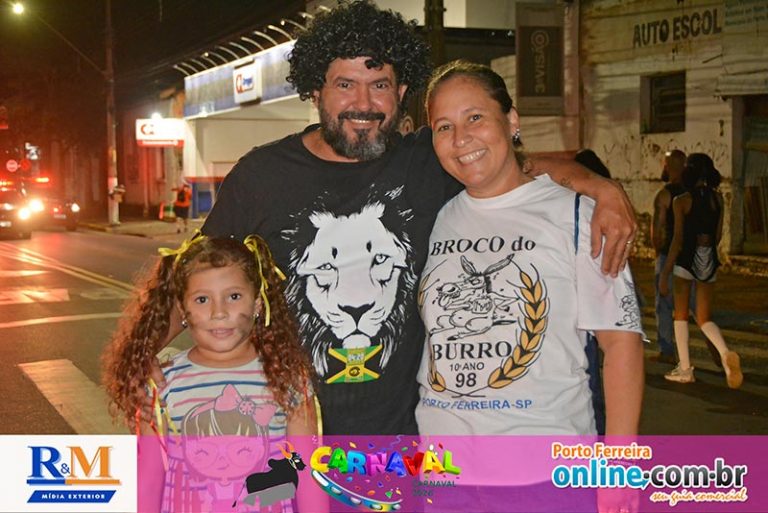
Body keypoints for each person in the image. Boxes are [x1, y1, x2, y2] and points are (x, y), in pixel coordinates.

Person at [157, 1, 636, 436]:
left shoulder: (425, 162)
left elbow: (506, 163)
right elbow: (189, 275)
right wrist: (140, 357)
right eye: (345, 84)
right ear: (316, 91)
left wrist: (601, 188)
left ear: (401, 92)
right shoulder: (262, 175)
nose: (363, 104)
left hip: (403, 447)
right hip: (290, 439)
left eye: (379, 85)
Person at [415, 59, 644, 513]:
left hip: (546, 478)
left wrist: (619, 465)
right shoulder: (437, 215)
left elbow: (621, 343)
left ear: (512, 120)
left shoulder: (577, 214)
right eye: (444, 127)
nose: (461, 139)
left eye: (475, 117)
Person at [103, 235, 320, 512]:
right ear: (183, 309)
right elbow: (148, 478)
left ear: (257, 303)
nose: (219, 312)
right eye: (202, 299)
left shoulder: (287, 379)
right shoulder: (163, 384)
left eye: (234, 296)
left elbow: (307, 474)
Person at [659, 153, 743, 388]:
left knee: (680, 314)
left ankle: (685, 369)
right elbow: (717, 236)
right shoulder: (718, 199)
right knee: (704, 317)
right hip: (708, 259)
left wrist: (665, 273)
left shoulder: (682, 200)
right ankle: (725, 354)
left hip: (686, 259)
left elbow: (677, 240)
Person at [651, 150, 686, 364]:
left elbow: (658, 229)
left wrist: (658, 253)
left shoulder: (665, 195)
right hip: (691, 256)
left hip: (668, 255)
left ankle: (667, 350)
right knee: (693, 307)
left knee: (664, 304)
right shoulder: (691, 194)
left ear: (666, 166)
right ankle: (718, 349)